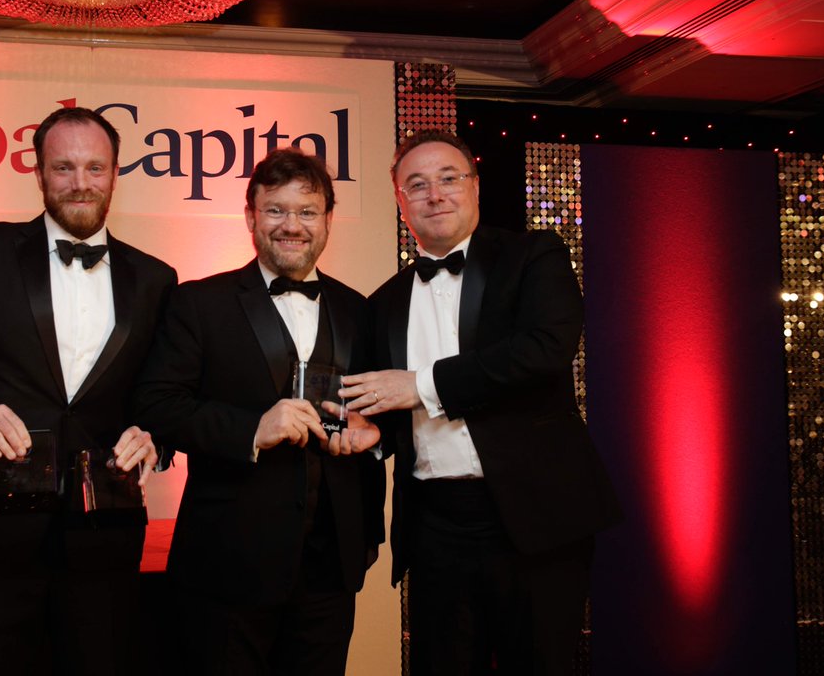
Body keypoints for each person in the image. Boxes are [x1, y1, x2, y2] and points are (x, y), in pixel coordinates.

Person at [0, 106, 177, 676]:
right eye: (64, 167)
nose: (80, 183)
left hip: (103, 534)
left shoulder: (156, 279)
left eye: (95, 168)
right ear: (39, 173)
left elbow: (163, 395)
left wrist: (158, 437)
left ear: (116, 173)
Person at [340, 129, 622, 675]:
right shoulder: (382, 303)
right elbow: (384, 408)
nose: (435, 194)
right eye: (416, 185)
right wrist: (376, 440)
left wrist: (421, 386)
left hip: (534, 517)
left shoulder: (533, 255)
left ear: (474, 186)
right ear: (400, 201)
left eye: (449, 178)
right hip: (435, 526)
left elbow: (544, 350)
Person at [134, 148, 385, 675]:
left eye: (307, 212)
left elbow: (378, 412)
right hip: (227, 566)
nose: (291, 225)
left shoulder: (360, 310)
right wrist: (252, 428)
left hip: (330, 568)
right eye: (275, 210)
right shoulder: (199, 303)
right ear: (250, 216)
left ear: (327, 220)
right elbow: (158, 404)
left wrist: (375, 435)